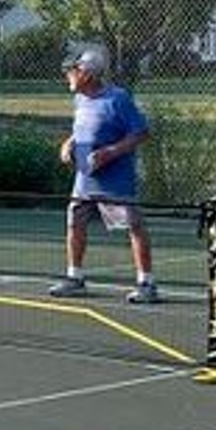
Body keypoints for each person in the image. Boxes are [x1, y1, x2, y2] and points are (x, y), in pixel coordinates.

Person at [48, 48, 159, 303]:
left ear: (87, 73)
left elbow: (140, 132)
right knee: (75, 221)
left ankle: (147, 283)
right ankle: (75, 278)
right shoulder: (80, 100)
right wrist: (69, 143)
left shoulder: (118, 99)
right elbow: (83, 128)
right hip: (85, 177)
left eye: (73, 70)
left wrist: (112, 151)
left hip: (116, 179)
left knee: (134, 225)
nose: (68, 75)